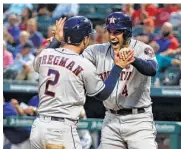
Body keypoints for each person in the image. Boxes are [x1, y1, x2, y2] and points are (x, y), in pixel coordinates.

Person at [50, 12, 158, 149]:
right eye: (110, 31)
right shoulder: (96, 51)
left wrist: (133, 59)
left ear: (128, 32)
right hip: (111, 120)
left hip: (139, 120)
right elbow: (66, 59)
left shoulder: (142, 48)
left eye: (117, 32)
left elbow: (151, 69)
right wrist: (57, 41)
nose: (112, 36)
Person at [30, 16, 134, 149]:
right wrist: (118, 67)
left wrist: (56, 40)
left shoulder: (45, 53)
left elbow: (40, 62)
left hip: (38, 127)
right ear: (85, 39)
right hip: (60, 131)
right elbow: (102, 94)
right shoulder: (84, 64)